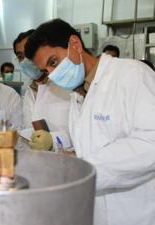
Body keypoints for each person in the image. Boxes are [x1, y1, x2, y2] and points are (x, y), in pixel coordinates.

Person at [25, 18, 155, 225]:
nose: (52, 74)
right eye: (46, 70)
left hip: (134, 212)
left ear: (75, 44)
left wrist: (84, 169)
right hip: (96, 212)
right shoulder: (79, 94)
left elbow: (150, 142)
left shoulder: (132, 74)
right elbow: (91, 145)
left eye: (53, 62)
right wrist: (64, 161)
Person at [17, 32, 72, 152]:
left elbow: (84, 135)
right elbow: (29, 129)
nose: (26, 60)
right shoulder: (29, 92)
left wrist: (53, 140)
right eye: (21, 56)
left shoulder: (68, 87)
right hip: (39, 163)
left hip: (67, 163)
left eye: (29, 53)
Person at [12, 29, 35, 95]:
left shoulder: (61, 86)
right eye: (20, 57)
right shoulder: (30, 88)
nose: (26, 60)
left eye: (29, 52)